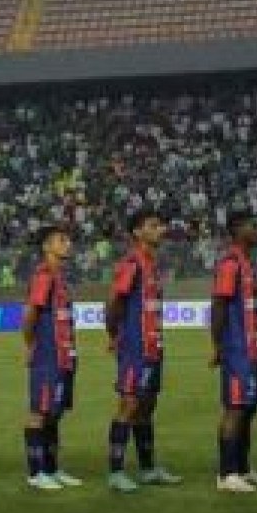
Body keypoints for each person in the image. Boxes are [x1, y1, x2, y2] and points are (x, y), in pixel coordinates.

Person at [105, 210, 180, 493]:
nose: (160, 229)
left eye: (161, 224)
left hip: (152, 345)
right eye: (153, 225)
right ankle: (115, 471)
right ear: (138, 232)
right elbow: (113, 302)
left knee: (147, 406)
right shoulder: (132, 263)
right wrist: (115, 335)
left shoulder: (152, 264)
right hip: (135, 346)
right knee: (130, 404)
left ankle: (148, 468)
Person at [210, 212, 257, 494]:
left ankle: (243, 468)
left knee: (249, 407)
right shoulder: (230, 263)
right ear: (237, 230)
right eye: (253, 226)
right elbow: (219, 304)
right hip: (237, 349)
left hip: (253, 347)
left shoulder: (247, 264)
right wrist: (218, 345)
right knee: (234, 407)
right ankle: (226, 473)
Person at [21, 226, 80, 492]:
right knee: (39, 412)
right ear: (47, 246)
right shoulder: (43, 276)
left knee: (54, 413)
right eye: (61, 240)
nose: (67, 244)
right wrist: (31, 343)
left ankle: (52, 467)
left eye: (67, 240)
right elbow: (30, 314)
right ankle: (36, 472)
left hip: (64, 354)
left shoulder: (61, 277)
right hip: (47, 354)